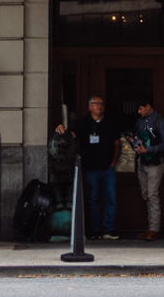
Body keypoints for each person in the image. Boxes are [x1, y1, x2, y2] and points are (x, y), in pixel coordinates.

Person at [54, 95, 122, 239]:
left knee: (111, 199)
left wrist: (113, 162)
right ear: (90, 106)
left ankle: (108, 230)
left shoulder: (110, 122)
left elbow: (117, 144)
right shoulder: (83, 123)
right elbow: (71, 135)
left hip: (108, 168)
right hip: (90, 168)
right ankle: (96, 231)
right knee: (93, 200)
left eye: (102, 104)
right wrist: (62, 129)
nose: (99, 106)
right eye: (96, 104)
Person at [132, 100, 164, 241]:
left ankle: (154, 229)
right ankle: (150, 227)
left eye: (141, 108)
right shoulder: (140, 122)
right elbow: (138, 137)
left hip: (154, 162)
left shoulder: (160, 122)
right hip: (142, 161)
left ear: (148, 106)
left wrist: (150, 149)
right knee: (146, 194)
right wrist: (135, 144)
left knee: (152, 194)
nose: (139, 112)